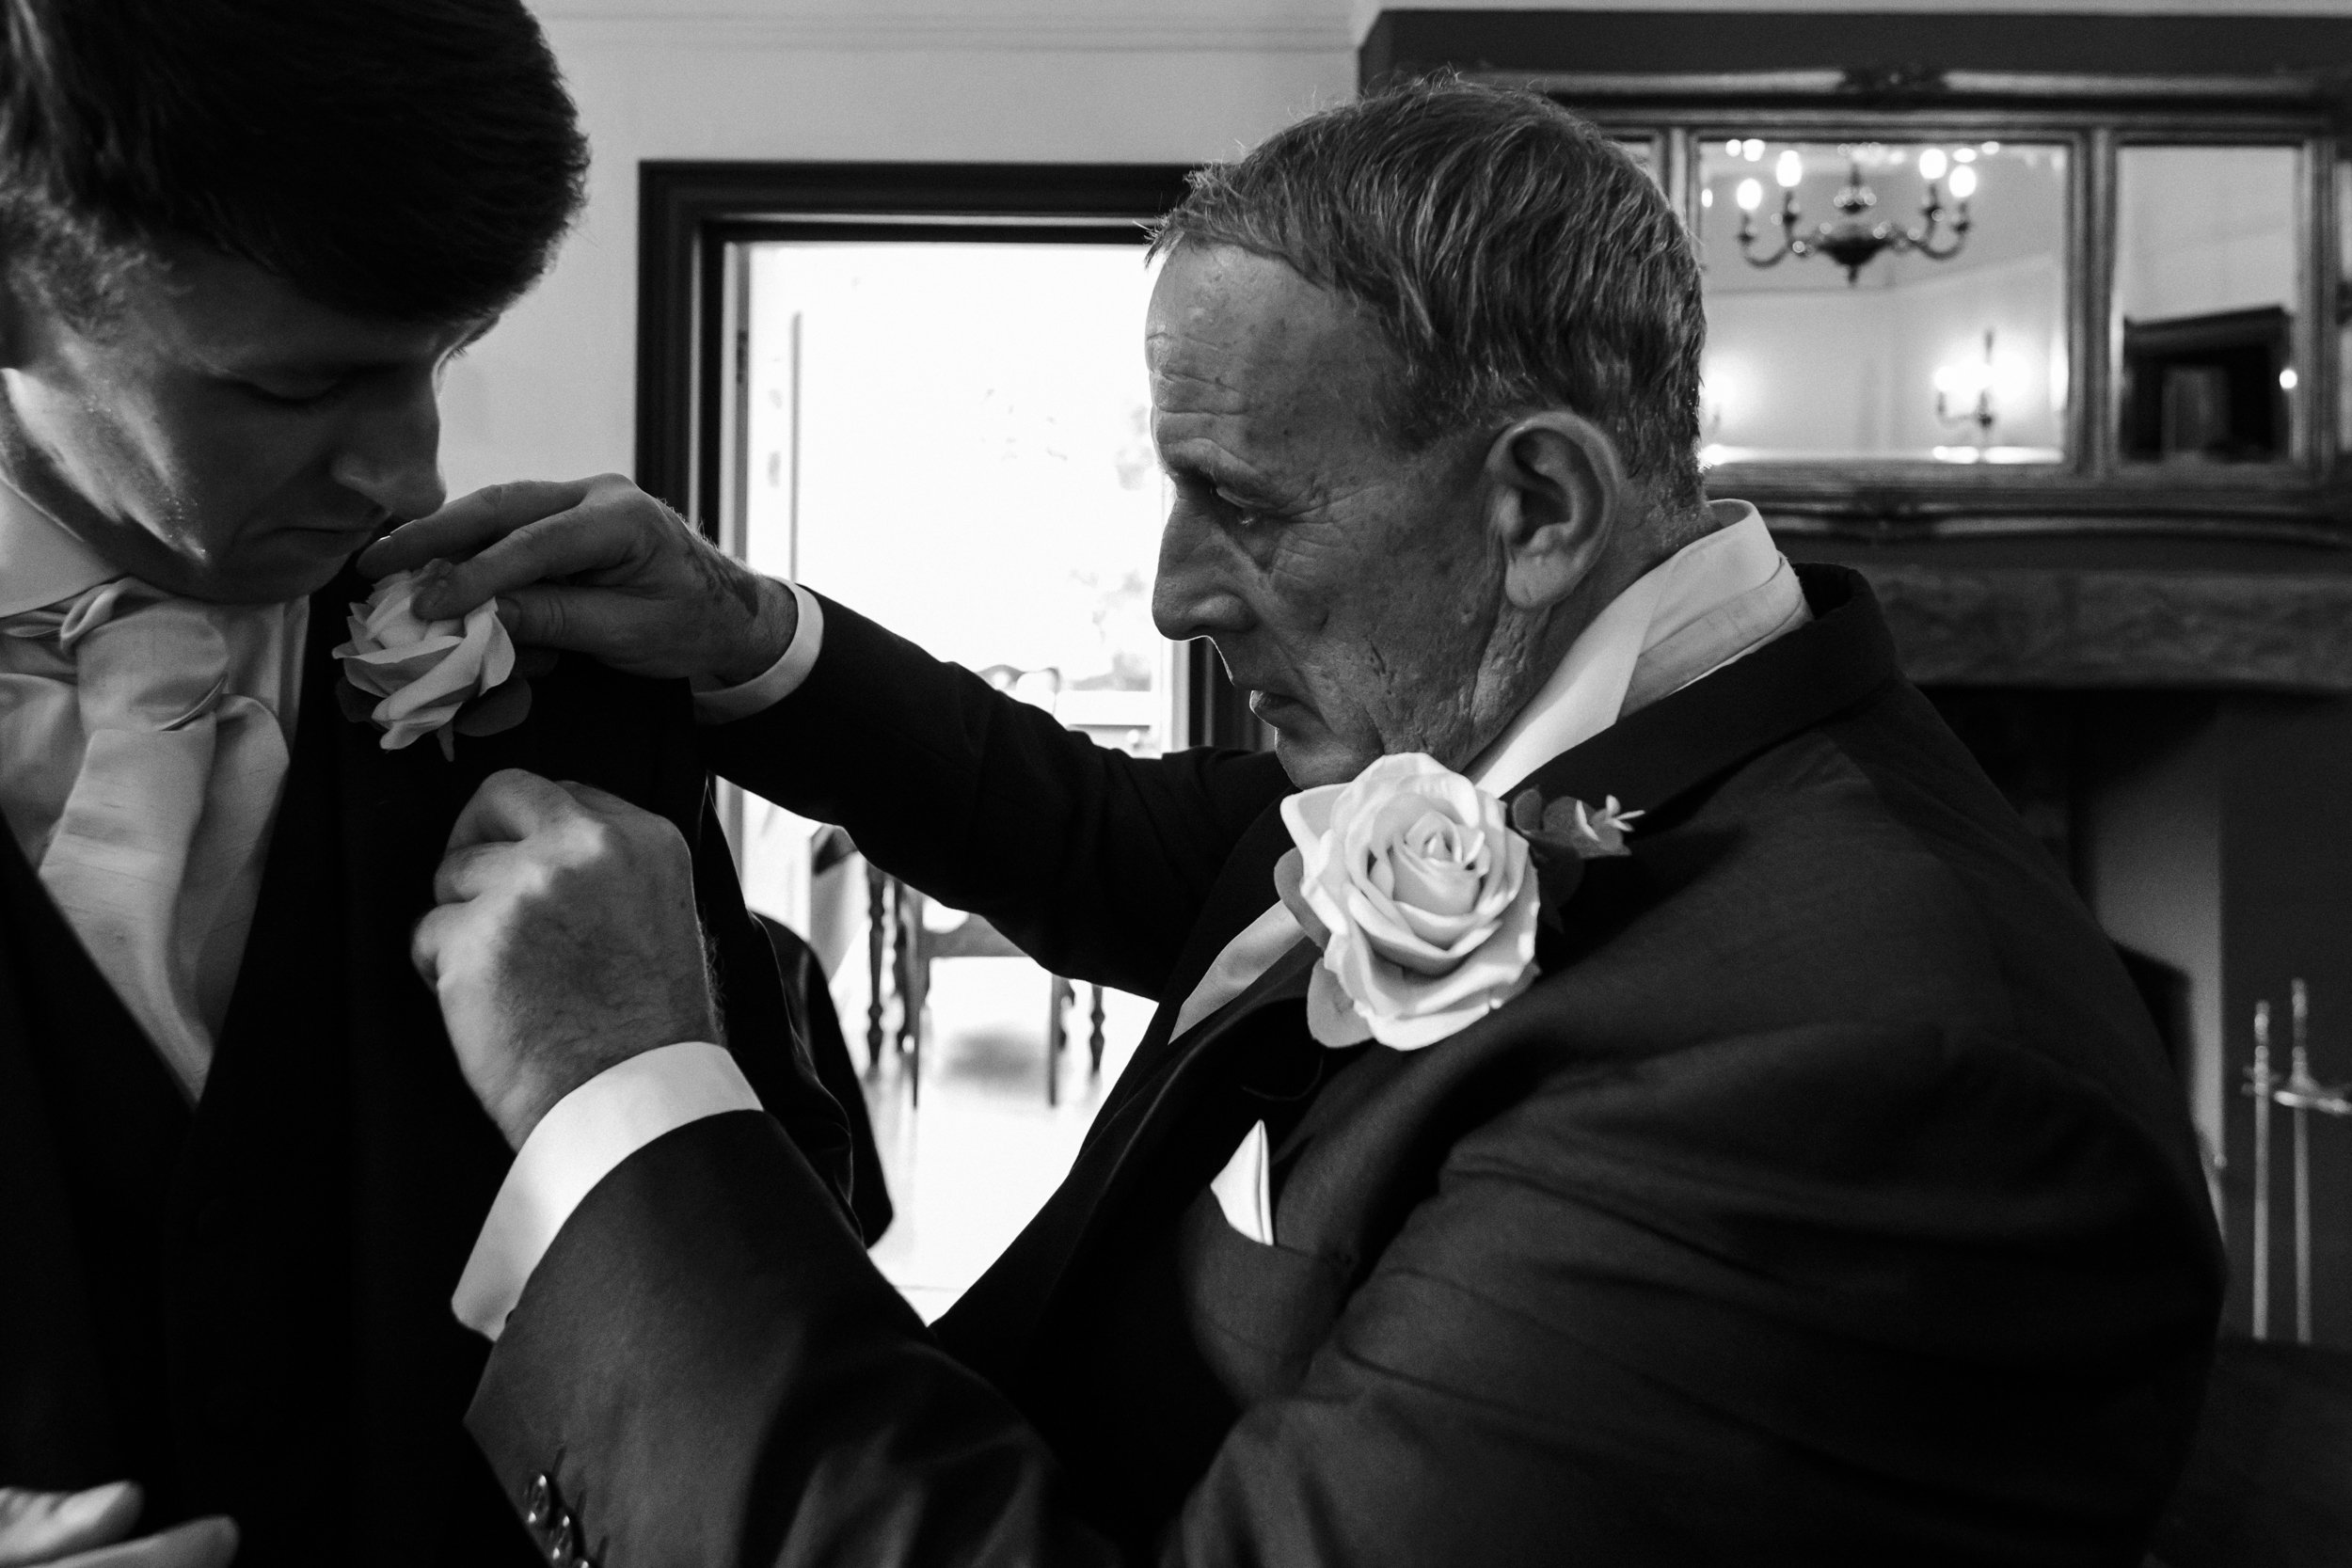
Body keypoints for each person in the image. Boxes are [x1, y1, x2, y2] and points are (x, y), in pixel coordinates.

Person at [379, 82, 2224, 1564]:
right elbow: (1122, 846)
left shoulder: (1863, 1083)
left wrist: (621, 1096)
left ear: (1533, 506)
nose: (1176, 595)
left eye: (1241, 506)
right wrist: (749, 642)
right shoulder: (1600, 747)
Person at [0, 4, 853, 1565]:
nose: (412, 476)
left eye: (440, 357)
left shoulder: (574, 691)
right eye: (288, 390)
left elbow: (787, 1249)